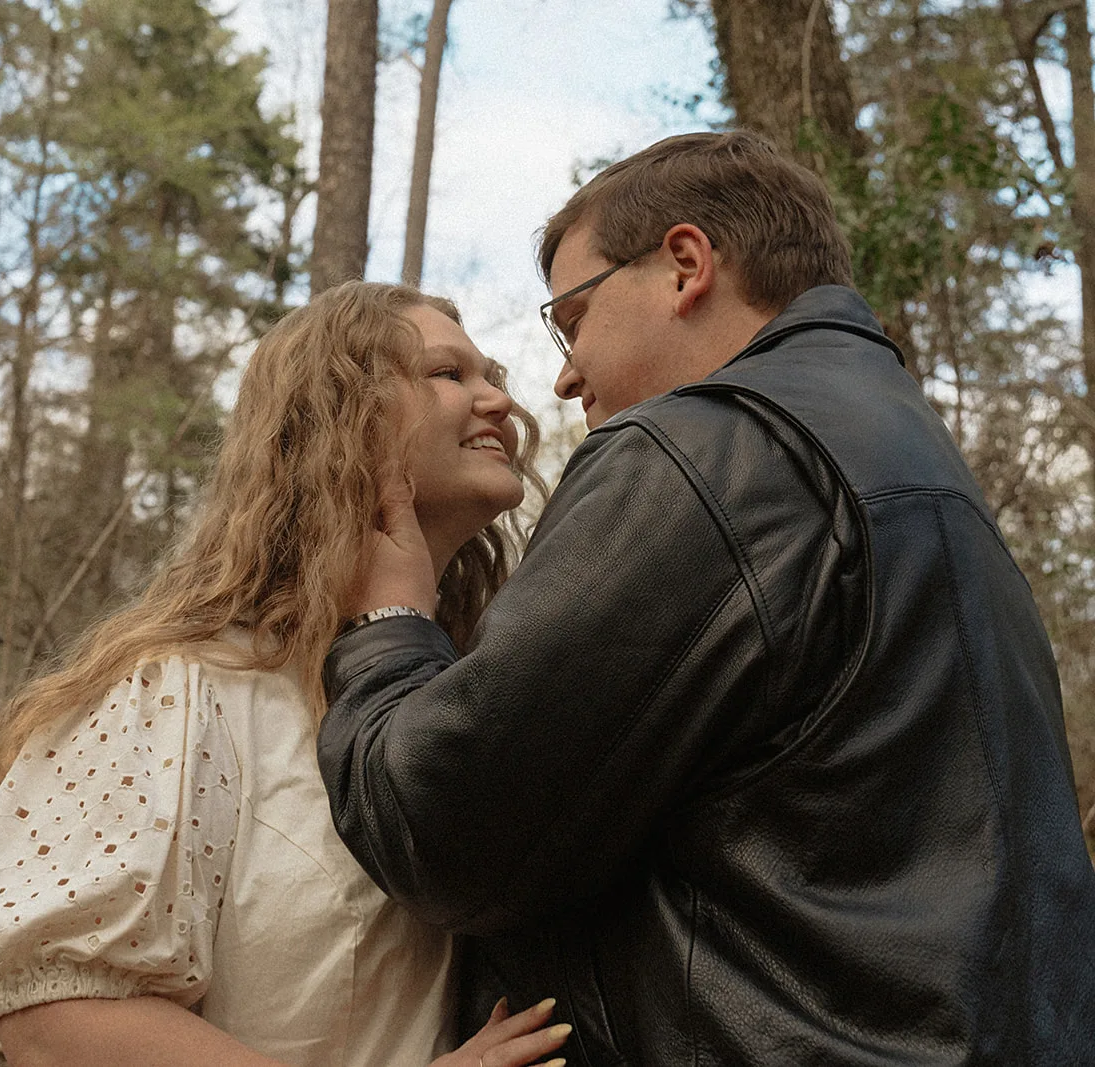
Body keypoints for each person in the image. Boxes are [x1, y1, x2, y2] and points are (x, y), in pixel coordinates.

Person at [317, 130, 1095, 1065]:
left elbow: (442, 832)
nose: (562, 376)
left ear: (685, 265)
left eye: (573, 321)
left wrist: (388, 629)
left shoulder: (706, 453)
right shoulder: (918, 466)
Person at [0, 282, 574, 1067]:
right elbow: (57, 1019)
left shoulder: (467, 687)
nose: (498, 403)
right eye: (449, 374)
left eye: (494, 378)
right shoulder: (178, 687)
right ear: (341, 419)